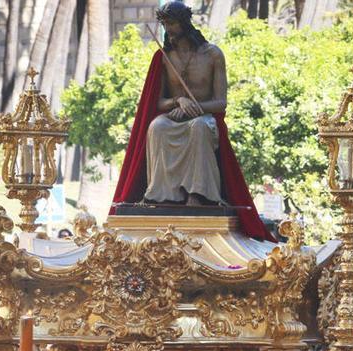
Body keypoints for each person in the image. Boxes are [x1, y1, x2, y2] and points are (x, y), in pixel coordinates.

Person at [110, 0, 272, 240]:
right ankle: (162, 194)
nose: (168, 29)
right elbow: (156, 103)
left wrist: (194, 108)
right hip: (174, 117)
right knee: (157, 127)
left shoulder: (213, 54)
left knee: (198, 127)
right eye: (164, 23)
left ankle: (197, 194)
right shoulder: (164, 57)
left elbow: (221, 103)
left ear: (185, 23)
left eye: (172, 23)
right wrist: (178, 102)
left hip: (203, 118)